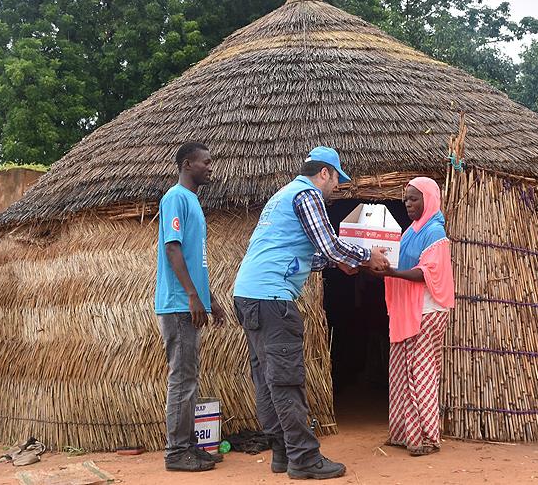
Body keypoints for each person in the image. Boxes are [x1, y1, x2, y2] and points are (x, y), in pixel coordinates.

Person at [233, 146, 390, 480]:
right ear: (324, 173)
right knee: (287, 379)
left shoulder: (282, 196)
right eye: (336, 180)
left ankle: (281, 453)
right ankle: (303, 458)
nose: (336, 188)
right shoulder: (307, 196)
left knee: (267, 379)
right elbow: (330, 245)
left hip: (249, 294)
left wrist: (343, 262)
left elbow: (310, 254)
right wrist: (365, 256)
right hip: (272, 298)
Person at [155, 142, 226, 472]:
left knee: (189, 378)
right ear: (187, 164)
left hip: (190, 302)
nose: (210, 167)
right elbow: (173, 250)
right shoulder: (175, 198)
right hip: (178, 305)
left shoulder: (193, 202)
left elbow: (195, 260)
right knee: (182, 379)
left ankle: (188, 446)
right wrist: (192, 297)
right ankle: (176, 452)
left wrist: (208, 299)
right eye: (205, 162)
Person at [374, 177, 454, 456]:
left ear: (429, 199)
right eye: (406, 199)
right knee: (402, 372)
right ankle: (405, 433)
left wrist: (392, 272)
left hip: (426, 311)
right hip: (408, 311)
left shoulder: (434, 232)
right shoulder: (411, 231)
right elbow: (396, 261)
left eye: (414, 198)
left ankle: (428, 438)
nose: (407, 203)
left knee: (420, 374)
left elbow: (427, 272)